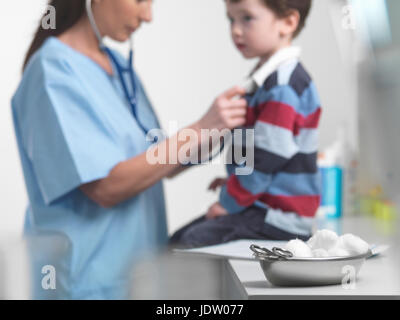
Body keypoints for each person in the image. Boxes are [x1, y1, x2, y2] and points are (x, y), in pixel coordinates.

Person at [11, 0, 247, 299]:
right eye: (140, 0)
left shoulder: (117, 67)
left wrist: (220, 131)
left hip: (136, 280)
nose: (148, 16)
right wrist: (200, 129)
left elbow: (158, 160)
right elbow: (107, 187)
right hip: (84, 284)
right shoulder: (52, 71)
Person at [170, 0, 322, 248]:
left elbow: (268, 157)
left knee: (188, 244)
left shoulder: (283, 85)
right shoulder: (265, 80)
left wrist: (230, 200)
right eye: (231, 20)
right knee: (178, 242)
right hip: (260, 207)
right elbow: (259, 153)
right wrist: (234, 183)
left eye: (247, 18)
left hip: (278, 217)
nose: (235, 30)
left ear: (288, 22)